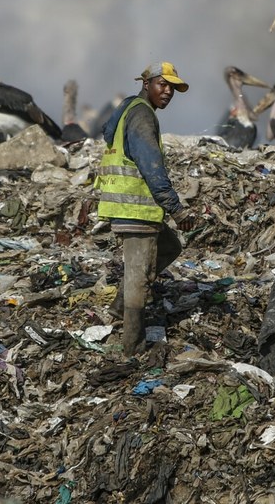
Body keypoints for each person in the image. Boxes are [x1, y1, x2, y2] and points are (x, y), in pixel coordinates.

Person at [95, 61, 198, 355]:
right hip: (136, 209)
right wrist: (177, 209)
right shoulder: (142, 115)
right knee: (139, 276)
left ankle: (118, 308)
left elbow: (107, 132)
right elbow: (152, 167)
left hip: (126, 205)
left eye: (172, 88)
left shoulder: (128, 108)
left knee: (169, 246)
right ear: (146, 84)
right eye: (161, 85)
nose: (167, 92)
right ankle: (133, 347)